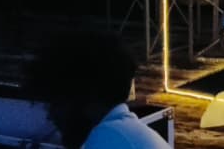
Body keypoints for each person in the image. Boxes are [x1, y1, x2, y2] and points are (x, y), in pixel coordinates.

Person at [24, 30, 168, 149]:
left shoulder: (109, 138)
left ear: (82, 97)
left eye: (56, 104)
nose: (50, 115)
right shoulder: (123, 132)